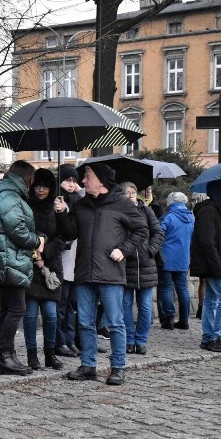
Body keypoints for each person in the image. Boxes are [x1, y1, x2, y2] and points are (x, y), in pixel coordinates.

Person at [64, 162, 148, 386]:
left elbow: (142, 230)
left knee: (115, 323)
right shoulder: (81, 205)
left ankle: (118, 367)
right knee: (85, 322)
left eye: (87, 176)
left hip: (110, 273)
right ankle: (88, 365)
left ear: (100, 180)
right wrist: (63, 213)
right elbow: (70, 232)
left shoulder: (121, 204)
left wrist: (124, 249)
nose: (83, 181)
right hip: (84, 272)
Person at [0, 160, 45, 376]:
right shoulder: (9, 196)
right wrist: (36, 241)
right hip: (10, 259)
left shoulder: (8, 193)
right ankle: (5, 356)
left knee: (9, 308)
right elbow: (17, 230)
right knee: (16, 308)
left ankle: (6, 355)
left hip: (8, 258)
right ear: (25, 177)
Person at [23, 168, 77, 371]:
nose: (39, 190)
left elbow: (68, 234)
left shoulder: (58, 205)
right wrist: (36, 247)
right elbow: (22, 232)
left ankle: (50, 353)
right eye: (37, 185)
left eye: (44, 186)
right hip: (30, 264)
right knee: (29, 314)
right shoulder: (27, 205)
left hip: (51, 268)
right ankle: (32, 355)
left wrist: (63, 212)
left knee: (51, 313)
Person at [191, 180, 221, 354]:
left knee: (211, 300)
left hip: (215, 263)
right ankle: (217, 337)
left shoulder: (218, 211)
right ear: (220, 191)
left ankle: (208, 337)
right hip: (213, 265)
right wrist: (218, 267)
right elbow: (207, 243)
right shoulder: (209, 211)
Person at [120, 182, 164, 355]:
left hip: (146, 266)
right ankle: (129, 340)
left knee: (145, 307)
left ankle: (141, 340)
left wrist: (150, 250)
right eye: (127, 193)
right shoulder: (118, 213)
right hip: (126, 266)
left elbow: (158, 233)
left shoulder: (146, 211)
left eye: (133, 192)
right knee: (125, 306)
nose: (131, 195)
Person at [55, 164, 82, 357]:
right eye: (67, 180)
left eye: (74, 180)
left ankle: (70, 339)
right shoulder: (57, 200)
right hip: (63, 257)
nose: (71, 184)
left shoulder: (77, 200)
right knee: (61, 305)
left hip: (76, 258)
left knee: (72, 305)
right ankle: (60, 341)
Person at [158, 192, 194, 330]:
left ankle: (169, 318)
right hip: (184, 258)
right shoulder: (191, 218)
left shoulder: (168, 217)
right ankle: (184, 320)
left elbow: (159, 235)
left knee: (166, 287)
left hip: (166, 257)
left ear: (171, 201)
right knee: (183, 289)